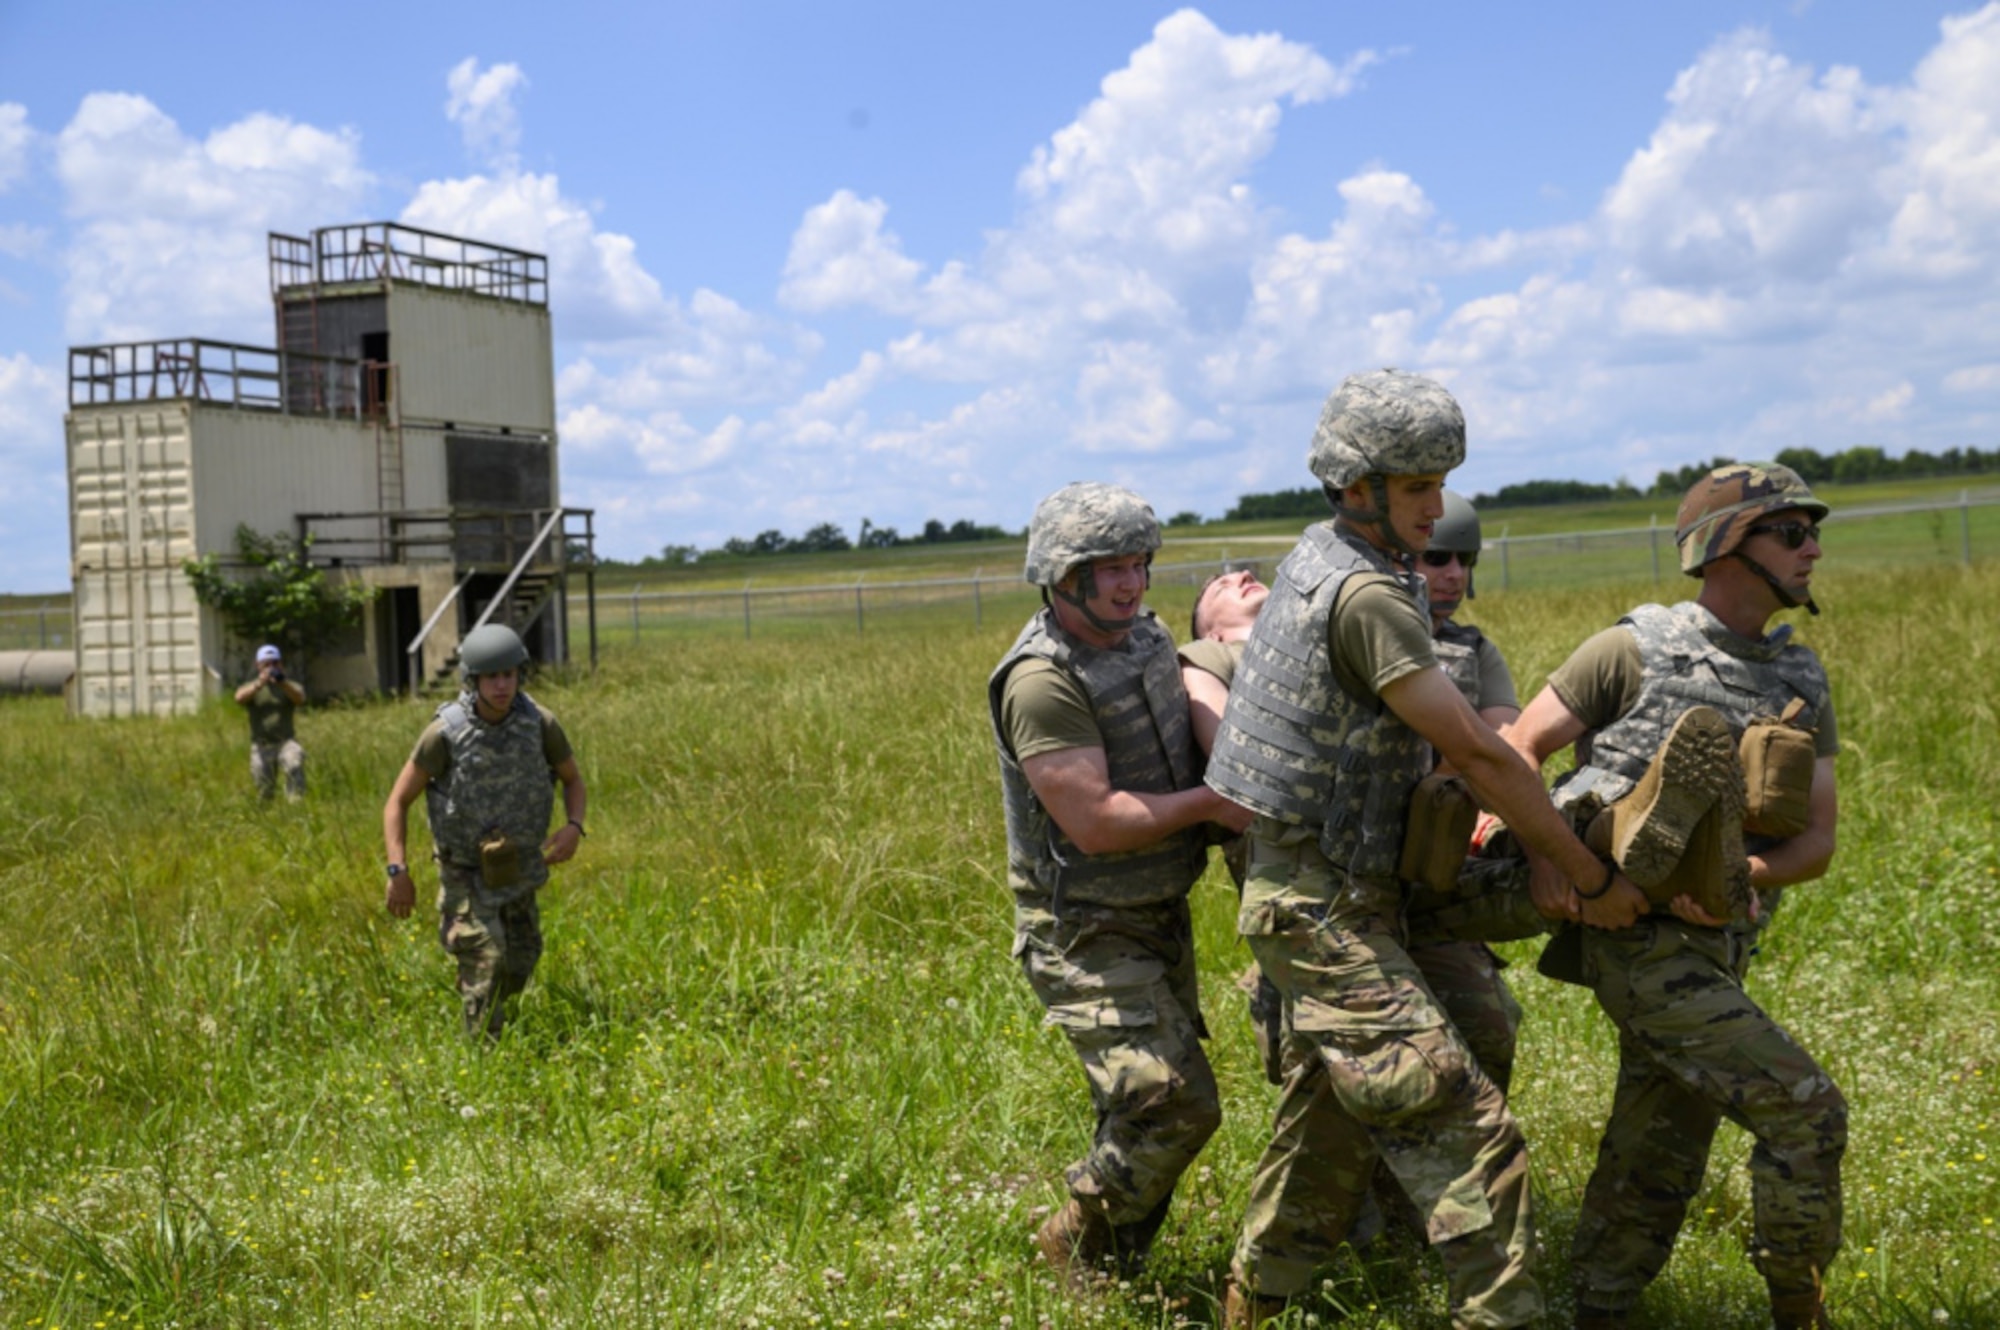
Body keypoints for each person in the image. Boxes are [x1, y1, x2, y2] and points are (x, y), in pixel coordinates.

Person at [1205, 369, 1628, 1330]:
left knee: (1334, 1128)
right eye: (1417, 489)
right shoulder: (1366, 595)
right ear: (1358, 488)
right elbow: (1477, 750)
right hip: (1321, 906)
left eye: (1443, 484)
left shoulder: (1329, 558)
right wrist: (1578, 867)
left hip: (1358, 889)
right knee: (1468, 1134)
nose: (1438, 512)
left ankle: (1252, 1305)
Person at [1501, 462, 1845, 1329]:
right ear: (1730, 543)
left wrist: (1732, 881)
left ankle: (1601, 1308)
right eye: (1791, 531)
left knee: (1661, 1142)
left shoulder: (1799, 679)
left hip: (1715, 941)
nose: (1812, 548)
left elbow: (1813, 845)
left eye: (1814, 531)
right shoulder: (1637, 646)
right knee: (1805, 1110)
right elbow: (1517, 751)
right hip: (1625, 929)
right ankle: (1798, 1306)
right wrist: (1549, 861)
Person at [990, 482, 1252, 1287]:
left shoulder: (1145, 638)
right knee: (1172, 1104)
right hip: (1084, 929)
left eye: (1138, 563)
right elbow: (1096, 821)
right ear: (1061, 575)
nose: (1129, 583)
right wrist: (1219, 801)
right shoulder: (1042, 680)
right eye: (1106, 568)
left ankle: (1107, 1275)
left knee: (1137, 1107)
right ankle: (1067, 1239)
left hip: (1154, 913)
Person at [382, 624, 588, 1041]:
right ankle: (484, 1061)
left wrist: (573, 827)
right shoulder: (445, 733)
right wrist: (397, 870)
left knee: (522, 959)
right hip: (465, 873)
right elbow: (397, 802)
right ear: (472, 680)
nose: (501, 685)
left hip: (518, 867)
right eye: (491, 677)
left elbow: (573, 780)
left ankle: (479, 992)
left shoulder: (540, 723)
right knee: (488, 958)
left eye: (508, 675)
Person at [234, 643, 306, 801]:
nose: (272, 667)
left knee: (295, 763)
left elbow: (300, 698)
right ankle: (267, 812)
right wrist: (259, 684)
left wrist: (283, 683)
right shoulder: (253, 686)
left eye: (275, 663)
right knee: (264, 786)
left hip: (286, 741)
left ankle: (295, 803)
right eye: (267, 664)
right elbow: (239, 698)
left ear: (281, 664)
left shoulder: (288, 686)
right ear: (258, 666)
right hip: (261, 744)